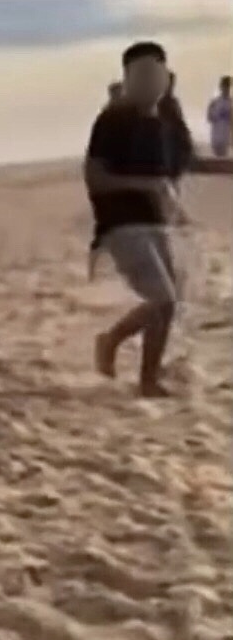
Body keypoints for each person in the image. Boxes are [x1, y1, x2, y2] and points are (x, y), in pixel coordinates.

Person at [85, 42, 190, 399]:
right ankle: (111, 340)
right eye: (139, 74)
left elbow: (182, 166)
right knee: (161, 299)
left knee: (169, 303)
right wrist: (144, 185)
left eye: (153, 74)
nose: (148, 81)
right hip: (121, 223)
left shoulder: (163, 123)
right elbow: (95, 178)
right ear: (127, 79)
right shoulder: (113, 118)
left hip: (157, 222)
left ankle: (148, 380)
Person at [159, 71, 194, 184]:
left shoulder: (173, 102)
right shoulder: (160, 102)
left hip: (172, 140)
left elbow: (179, 121)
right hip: (165, 140)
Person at [208, 75, 232, 158]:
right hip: (216, 138)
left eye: (228, 86)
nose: (226, 88)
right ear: (221, 87)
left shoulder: (231, 103)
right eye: (224, 86)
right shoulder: (215, 102)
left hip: (226, 139)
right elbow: (209, 118)